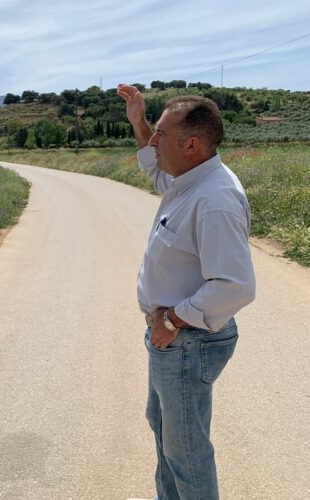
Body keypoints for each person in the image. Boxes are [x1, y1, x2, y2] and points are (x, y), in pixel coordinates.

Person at [117, 84, 256, 499]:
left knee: (186, 454)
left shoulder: (215, 200)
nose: (153, 143)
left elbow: (235, 286)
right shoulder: (188, 179)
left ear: (192, 144)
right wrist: (139, 122)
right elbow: (152, 167)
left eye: (161, 134)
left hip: (186, 339)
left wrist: (172, 320)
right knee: (166, 436)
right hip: (173, 338)